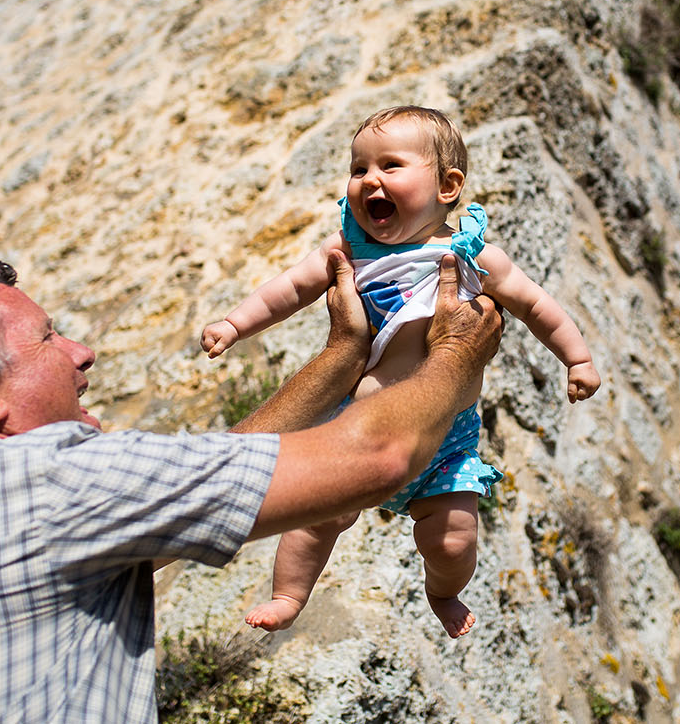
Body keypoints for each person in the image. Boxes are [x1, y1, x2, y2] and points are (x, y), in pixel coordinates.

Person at [0, 251, 501, 724]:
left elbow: (215, 474)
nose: (83, 352)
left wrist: (342, 356)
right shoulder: (39, 482)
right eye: (50, 339)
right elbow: (379, 453)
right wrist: (454, 358)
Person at [202, 105, 599, 639]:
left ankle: (444, 590)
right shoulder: (349, 253)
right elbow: (288, 291)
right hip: (357, 427)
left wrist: (577, 358)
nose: (370, 180)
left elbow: (537, 307)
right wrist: (234, 323)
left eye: (390, 166)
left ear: (447, 185)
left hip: (445, 438)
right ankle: (290, 594)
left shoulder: (472, 256)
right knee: (318, 518)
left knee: (453, 538)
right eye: (359, 168)